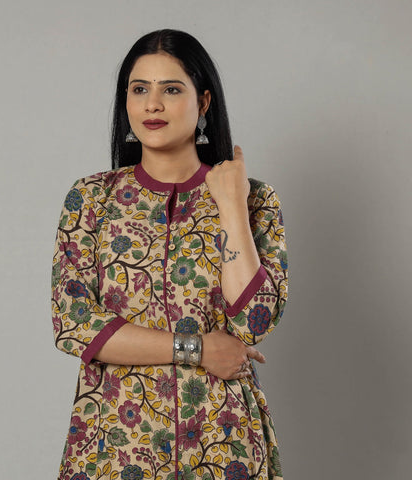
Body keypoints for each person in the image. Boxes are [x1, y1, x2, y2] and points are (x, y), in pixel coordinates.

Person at [51, 29, 288, 480]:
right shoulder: (92, 200)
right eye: (139, 90)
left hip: (224, 442)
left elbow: (253, 322)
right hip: (115, 444)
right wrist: (197, 349)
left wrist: (231, 206)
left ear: (203, 102)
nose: (152, 105)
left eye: (171, 90)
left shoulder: (255, 199)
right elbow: (74, 325)